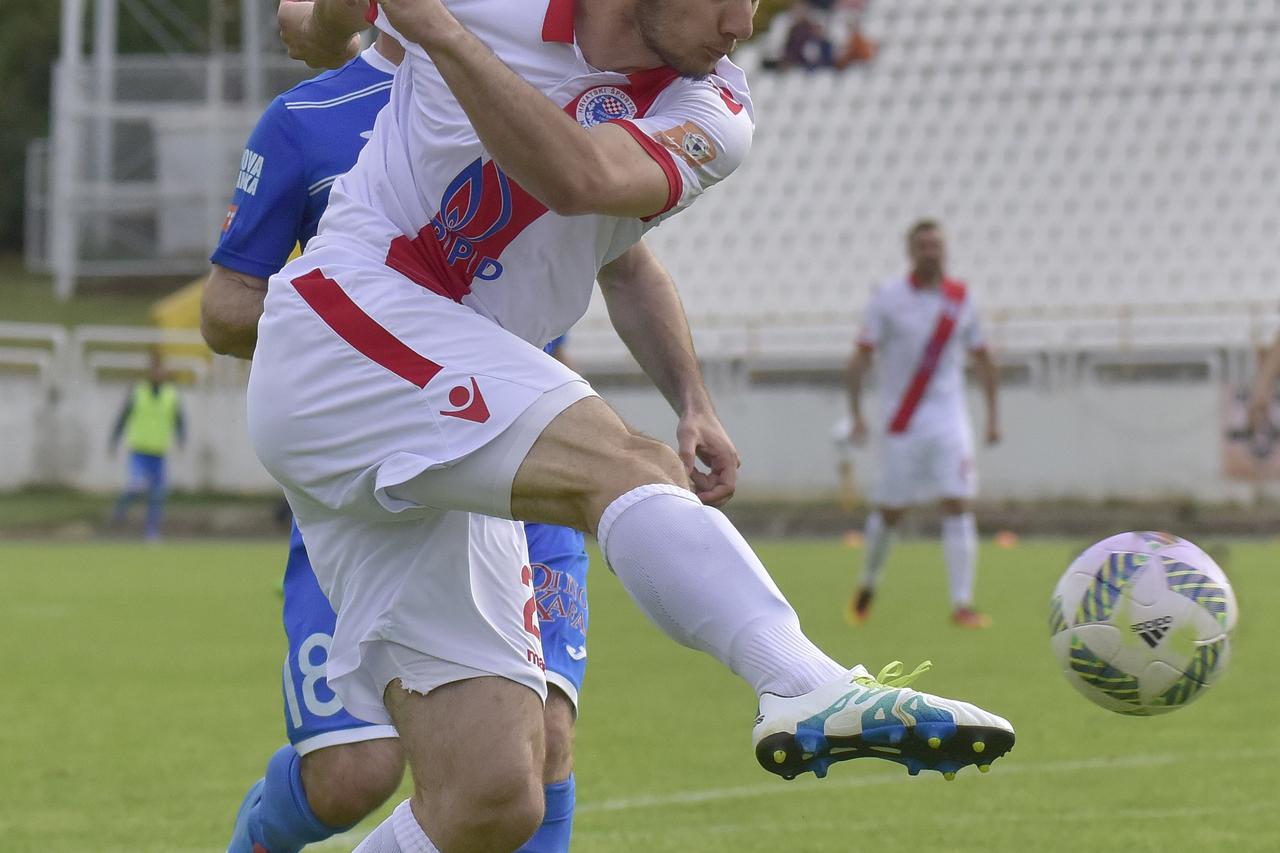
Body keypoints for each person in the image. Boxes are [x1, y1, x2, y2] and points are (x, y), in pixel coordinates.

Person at [260, 1, 1014, 849]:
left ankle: (806, 684)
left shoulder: (715, 113)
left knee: (493, 796)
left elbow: (583, 183)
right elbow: (324, 22)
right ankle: (807, 682)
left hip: (439, 401)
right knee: (627, 462)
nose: (744, 21)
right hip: (346, 326)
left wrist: (436, 34)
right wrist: (327, 27)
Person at [203, 32, 587, 852]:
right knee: (353, 774)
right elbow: (224, 309)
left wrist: (692, 400)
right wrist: (357, 320)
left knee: (542, 746)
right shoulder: (308, 120)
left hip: (528, 458)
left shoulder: (540, 96)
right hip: (384, 468)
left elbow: (624, 264)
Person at [844, 220, 1001, 628]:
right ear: (910, 251)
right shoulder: (888, 299)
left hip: (949, 418)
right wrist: (857, 412)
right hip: (902, 420)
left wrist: (993, 416)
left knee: (957, 502)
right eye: (923, 245)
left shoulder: (961, 299)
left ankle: (962, 604)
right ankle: (868, 582)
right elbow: (860, 356)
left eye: (936, 244)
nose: (931, 251)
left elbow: (983, 357)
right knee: (892, 511)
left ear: (945, 250)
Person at [109, 349, 186, 541]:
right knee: (136, 486)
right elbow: (123, 416)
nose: (159, 374)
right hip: (140, 450)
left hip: (159, 451)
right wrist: (114, 440)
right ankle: (119, 513)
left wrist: (181, 438)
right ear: (150, 372)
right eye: (156, 370)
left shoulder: (171, 394)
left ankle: (152, 532)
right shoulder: (138, 391)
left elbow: (179, 419)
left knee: (158, 495)